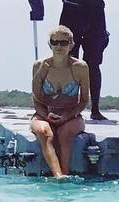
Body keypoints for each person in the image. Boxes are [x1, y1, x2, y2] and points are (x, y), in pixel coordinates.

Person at [30, 25, 90, 177]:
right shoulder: (39, 65)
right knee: (44, 132)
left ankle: (65, 173)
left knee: (65, 133)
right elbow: (36, 98)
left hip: (71, 115)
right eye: (54, 42)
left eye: (64, 42)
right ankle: (58, 176)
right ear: (49, 44)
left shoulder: (80, 67)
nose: (59, 46)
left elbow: (84, 100)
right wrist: (46, 116)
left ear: (71, 45)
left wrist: (66, 116)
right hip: (43, 114)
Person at [59, 0, 110, 122]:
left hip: (95, 11)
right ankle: (68, 107)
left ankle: (95, 109)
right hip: (71, 8)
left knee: (93, 63)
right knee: (68, 62)